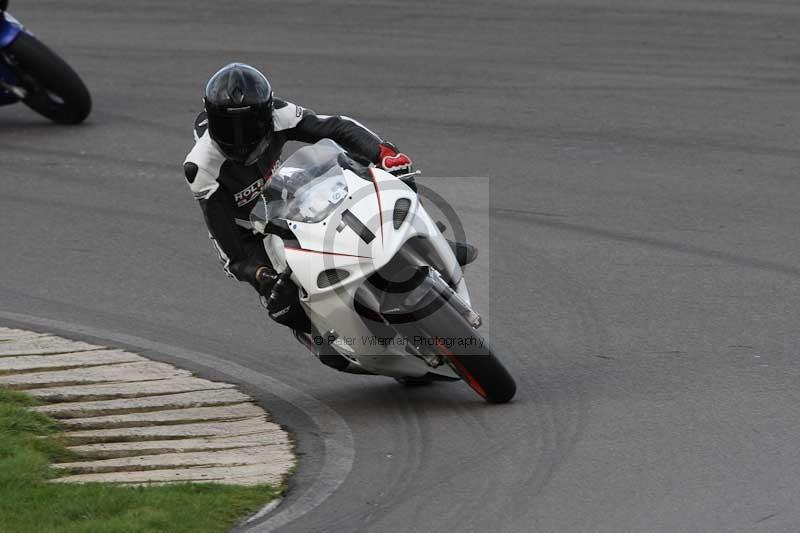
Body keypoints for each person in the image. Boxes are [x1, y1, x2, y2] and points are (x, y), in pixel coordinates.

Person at [183, 62, 474, 332]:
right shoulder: (201, 167)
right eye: (229, 129)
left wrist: (384, 153)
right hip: (252, 231)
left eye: (250, 127)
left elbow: (336, 127)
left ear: (265, 115)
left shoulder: (279, 114)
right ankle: (333, 340)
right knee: (286, 306)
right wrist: (258, 274)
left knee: (390, 174)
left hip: (282, 191)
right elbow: (227, 242)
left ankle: (426, 236)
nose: (241, 138)